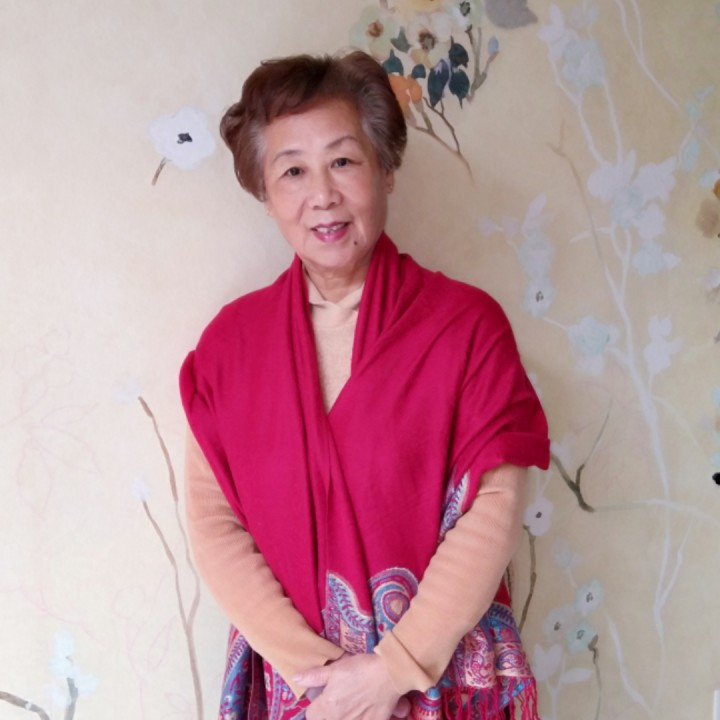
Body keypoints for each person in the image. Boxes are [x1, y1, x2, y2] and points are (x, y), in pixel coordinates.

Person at [180, 51, 550, 720]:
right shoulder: (229, 351)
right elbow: (214, 524)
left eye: (344, 161)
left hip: (443, 682)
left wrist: (392, 672)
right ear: (266, 194)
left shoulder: (466, 328)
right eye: (293, 171)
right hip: (301, 693)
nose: (322, 194)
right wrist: (326, 682)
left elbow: (491, 511)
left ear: (386, 170)